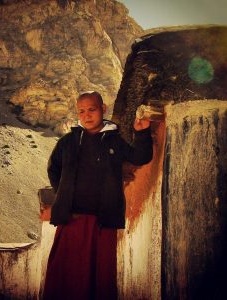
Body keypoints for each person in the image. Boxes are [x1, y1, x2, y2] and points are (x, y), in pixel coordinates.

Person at [43, 91, 153, 300]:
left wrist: (142, 133)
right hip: (72, 219)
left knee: (100, 277)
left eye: (92, 109)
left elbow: (140, 157)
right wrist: (64, 194)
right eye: (81, 111)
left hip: (103, 222)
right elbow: (53, 168)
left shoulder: (114, 141)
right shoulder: (67, 142)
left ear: (103, 109)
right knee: (65, 275)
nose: (86, 115)